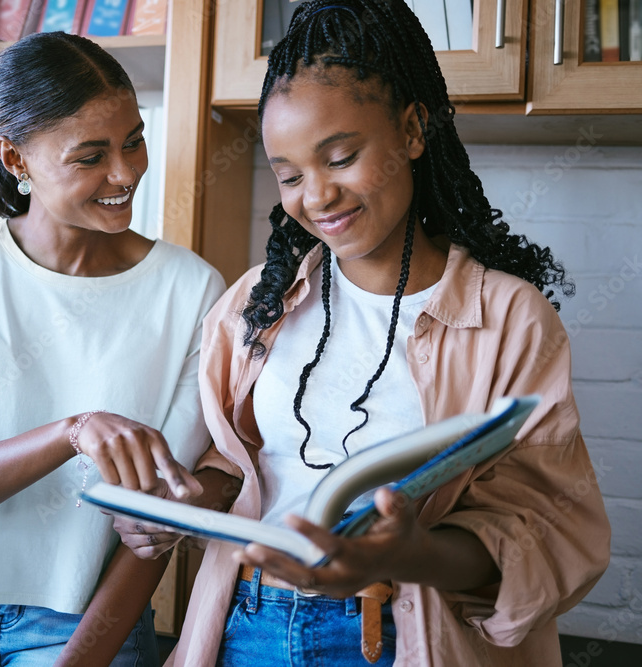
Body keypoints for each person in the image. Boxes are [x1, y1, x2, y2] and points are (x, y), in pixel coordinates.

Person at [114, 1, 610, 665]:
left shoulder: (510, 319)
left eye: (340, 157)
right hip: (248, 627)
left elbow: (552, 530)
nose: (315, 195)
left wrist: (414, 551)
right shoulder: (256, 304)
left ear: (411, 130)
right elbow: (237, 469)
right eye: (289, 175)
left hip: (402, 635)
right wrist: (172, 506)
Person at [0, 31, 225, 666]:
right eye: (90, 156)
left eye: (133, 141)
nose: (125, 173)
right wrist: (71, 432)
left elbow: (152, 532)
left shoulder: (191, 291)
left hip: (84, 616)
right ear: (15, 158)